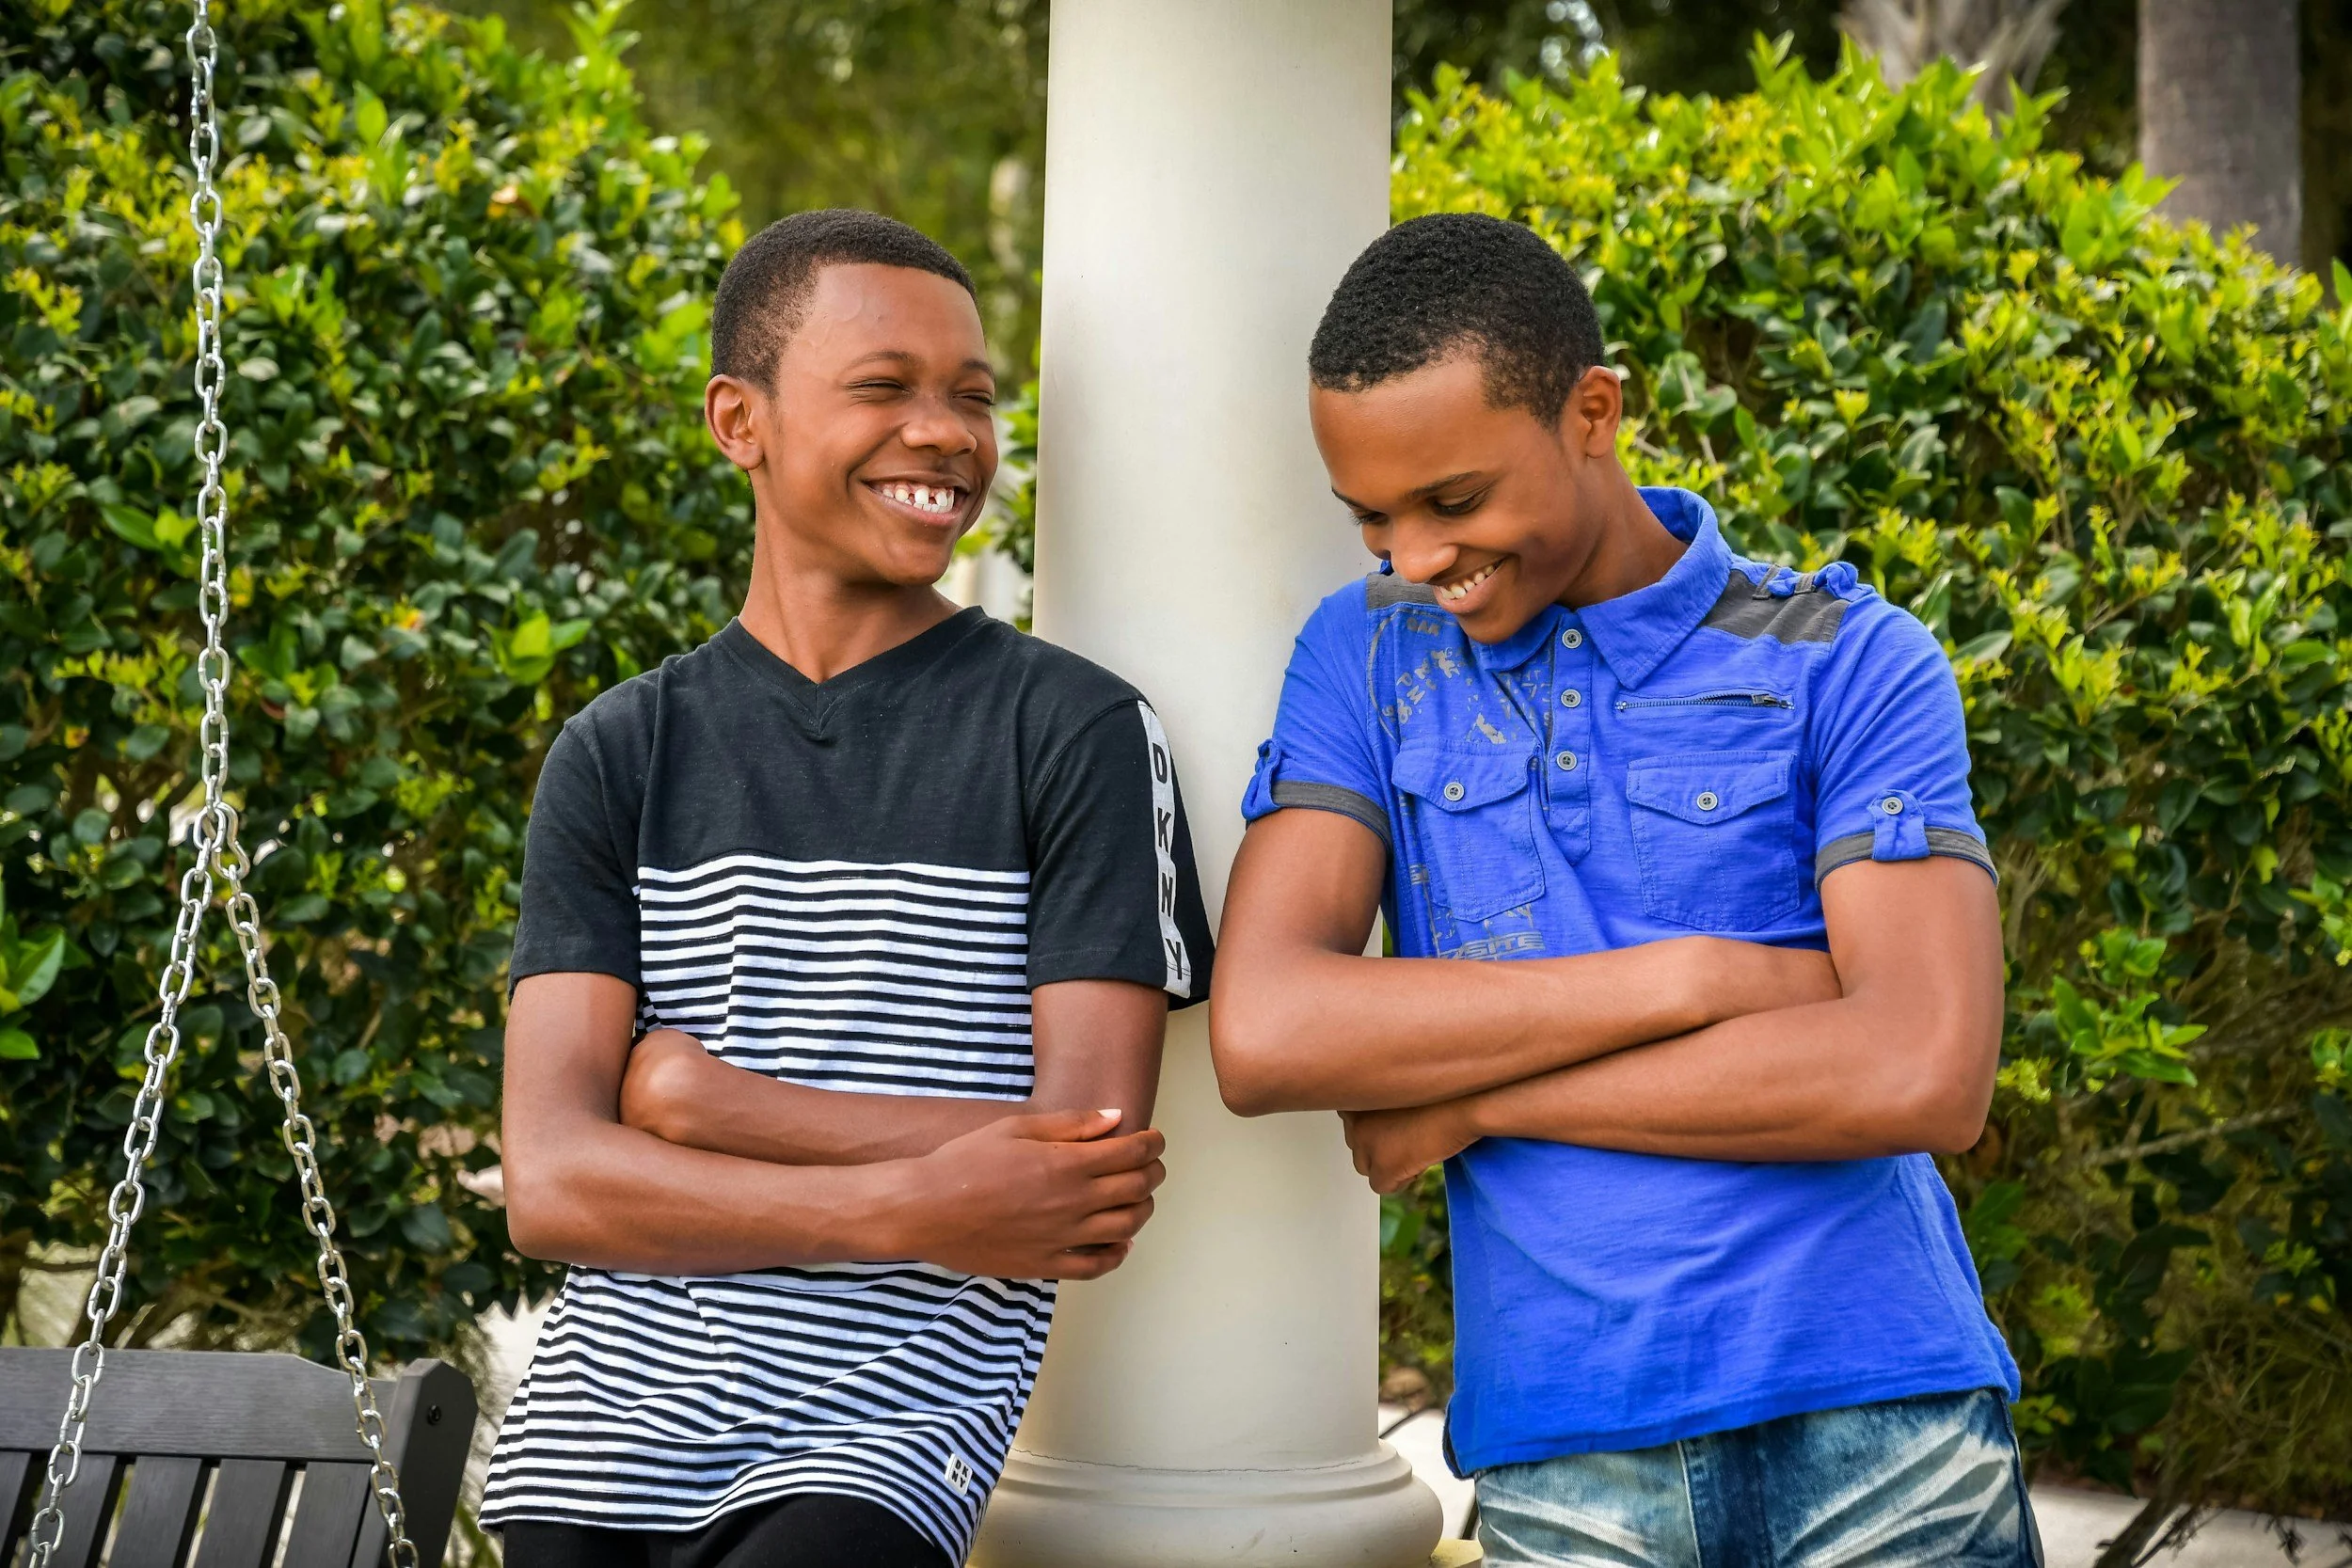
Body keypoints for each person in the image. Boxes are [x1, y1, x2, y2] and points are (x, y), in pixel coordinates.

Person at [1210, 212, 2035, 1566]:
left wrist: (1475, 1094)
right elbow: (1269, 1030)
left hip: (1888, 1428)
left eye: (1455, 501)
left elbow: (1920, 1075)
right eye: (1374, 518)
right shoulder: (1367, 656)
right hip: (1567, 1456)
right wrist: (1696, 977)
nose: (1416, 556)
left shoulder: (1848, 655)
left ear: (1592, 411)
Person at [481, 209, 1215, 1568]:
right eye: (885, 387)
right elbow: (555, 1178)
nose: (946, 433)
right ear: (738, 421)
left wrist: (712, 1105)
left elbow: (1077, 1171)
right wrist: (901, 1205)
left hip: (874, 1452)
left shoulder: (1074, 732)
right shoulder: (620, 750)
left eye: (973, 396)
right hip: (590, 1443)